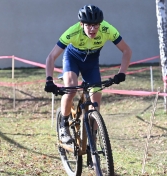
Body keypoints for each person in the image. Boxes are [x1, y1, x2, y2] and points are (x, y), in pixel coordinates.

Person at [44, 5, 132, 143]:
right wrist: (49, 80)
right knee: (71, 89)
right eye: (89, 25)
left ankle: (93, 137)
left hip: (91, 64)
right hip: (72, 59)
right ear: (81, 24)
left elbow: (126, 50)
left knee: (96, 99)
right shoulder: (72, 32)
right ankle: (64, 125)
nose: (93, 29)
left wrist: (121, 73)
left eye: (96, 25)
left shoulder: (107, 29)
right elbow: (51, 57)